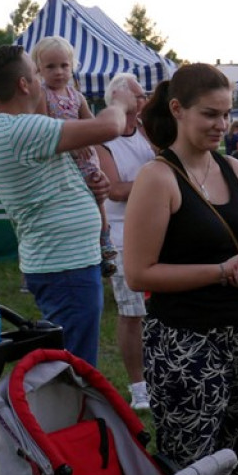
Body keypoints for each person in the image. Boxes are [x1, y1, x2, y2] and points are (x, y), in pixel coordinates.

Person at [123, 63, 238, 475]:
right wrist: (219, 271)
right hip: (185, 344)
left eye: (227, 115)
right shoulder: (157, 177)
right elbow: (139, 273)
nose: (221, 125)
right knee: (192, 465)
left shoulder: (233, 170)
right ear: (178, 110)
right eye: (210, 114)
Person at [0, 45, 134, 366]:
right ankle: (57, 416)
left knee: (69, 361)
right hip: (66, 267)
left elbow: (54, 179)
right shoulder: (21, 129)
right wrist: (119, 102)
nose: (43, 80)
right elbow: (109, 127)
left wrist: (93, 189)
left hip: (66, 263)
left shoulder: (10, 128)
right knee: (74, 368)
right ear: (24, 84)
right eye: (37, 72)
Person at [32, 36, 117, 277]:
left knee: (98, 197)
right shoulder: (43, 95)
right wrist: (72, 142)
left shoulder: (77, 97)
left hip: (85, 158)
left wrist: (94, 132)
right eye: (50, 66)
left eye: (64, 65)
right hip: (63, 160)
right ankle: (77, 249)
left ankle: (104, 239)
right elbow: (45, 129)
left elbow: (92, 124)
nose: (58, 72)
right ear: (39, 68)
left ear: (72, 66)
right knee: (73, 202)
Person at [96, 73, 155, 409]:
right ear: (120, 97)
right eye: (138, 94)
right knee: (132, 313)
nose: (144, 98)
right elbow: (115, 190)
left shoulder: (146, 134)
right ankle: (138, 389)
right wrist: (154, 181)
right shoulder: (105, 140)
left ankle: (159, 376)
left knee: (156, 312)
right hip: (122, 236)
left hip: (155, 231)